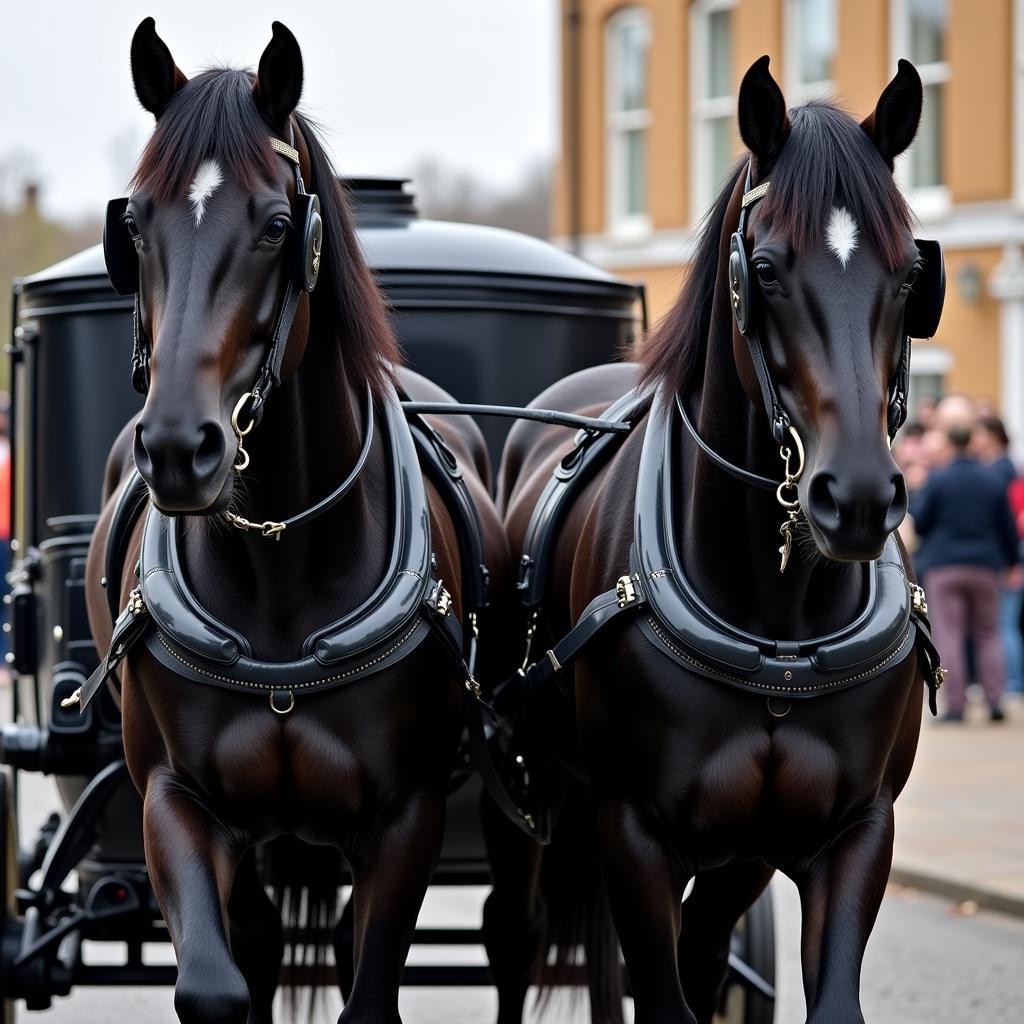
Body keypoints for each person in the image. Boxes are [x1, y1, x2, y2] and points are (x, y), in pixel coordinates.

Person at [910, 423, 1021, 721]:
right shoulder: (992, 480)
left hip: (943, 565)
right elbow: (1008, 529)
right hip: (985, 565)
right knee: (989, 633)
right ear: (971, 442)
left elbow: (919, 521)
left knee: (950, 634)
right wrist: (1012, 563)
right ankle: (996, 702)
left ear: (949, 443)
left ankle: (956, 706)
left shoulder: (938, 479)